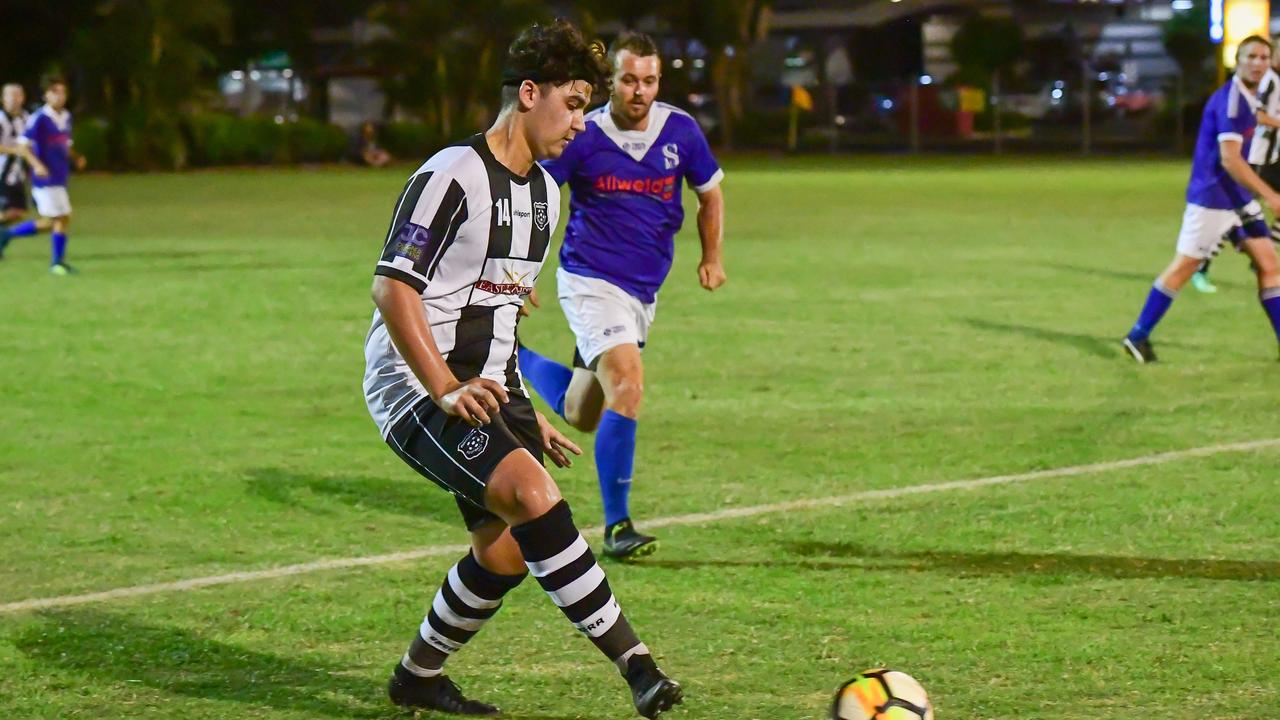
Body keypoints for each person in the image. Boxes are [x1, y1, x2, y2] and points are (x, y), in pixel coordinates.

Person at [363, 19, 683, 718]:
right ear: (529, 93)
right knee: (535, 499)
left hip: (485, 385)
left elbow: (502, 315)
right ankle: (639, 667)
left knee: (506, 553)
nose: (581, 122)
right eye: (573, 104)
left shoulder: (543, 196)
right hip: (416, 386)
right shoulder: (450, 174)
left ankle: (416, 676)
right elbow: (393, 287)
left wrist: (523, 408)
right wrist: (444, 387)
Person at [517, 31, 726, 561]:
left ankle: (513, 361)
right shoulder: (584, 134)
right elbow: (537, 194)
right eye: (629, 79)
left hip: (641, 292)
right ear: (611, 79)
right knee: (628, 387)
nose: (639, 90)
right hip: (589, 280)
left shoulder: (681, 130)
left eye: (649, 80)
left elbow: (710, 193)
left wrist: (711, 257)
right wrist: (522, 271)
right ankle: (618, 527)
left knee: (583, 412)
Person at [1122, 35, 1280, 363]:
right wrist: (1271, 195)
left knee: (1269, 264)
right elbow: (1230, 159)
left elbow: (1256, 119)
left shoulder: (1249, 98)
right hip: (1213, 200)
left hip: (1238, 198)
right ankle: (1137, 336)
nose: (1258, 62)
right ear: (1237, 61)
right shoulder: (1232, 101)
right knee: (1184, 267)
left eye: (1264, 57)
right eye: (1251, 56)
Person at [19, 77, 85, 275]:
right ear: (46, 95)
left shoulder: (66, 116)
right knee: (57, 219)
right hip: (45, 179)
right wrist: (37, 165)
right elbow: (23, 146)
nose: (60, 96)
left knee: (58, 219)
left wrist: (76, 157)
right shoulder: (39, 117)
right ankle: (56, 262)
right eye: (55, 91)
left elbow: (65, 143)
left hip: (60, 176)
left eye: (63, 92)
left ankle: (57, 262)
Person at [0, 83, 51, 258]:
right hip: (2, 173)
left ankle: (2, 238)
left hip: (17, 174)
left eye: (18, 95)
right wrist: (15, 150)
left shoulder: (26, 118)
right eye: (10, 95)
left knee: (18, 213)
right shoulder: (0, 119)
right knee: (10, 211)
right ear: (3, 98)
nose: (15, 99)